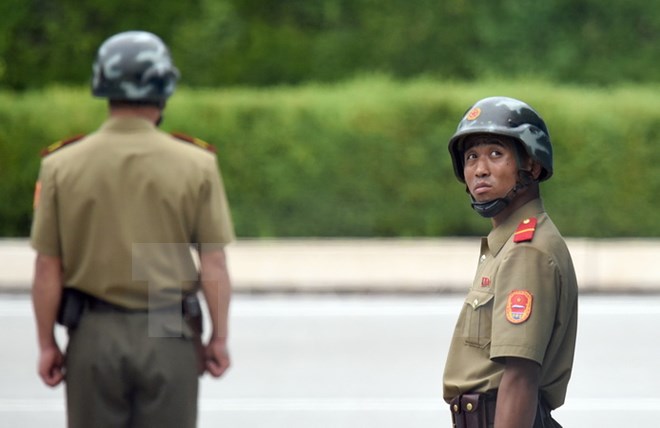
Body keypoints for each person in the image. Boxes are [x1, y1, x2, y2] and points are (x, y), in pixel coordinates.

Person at [30, 31, 235, 428]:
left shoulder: (62, 166)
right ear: (163, 89)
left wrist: (46, 344)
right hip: (166, 323)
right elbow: (213, 264)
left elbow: (46, 270)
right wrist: (219, 338)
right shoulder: (195, 164)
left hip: (94, 327)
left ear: (103, 86)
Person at [442, 97, 578, 428]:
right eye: (471, 156)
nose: (480, 169)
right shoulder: (508, 244)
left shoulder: (526, 251)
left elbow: (519, 376)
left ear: (530, 166)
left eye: (495, 154)